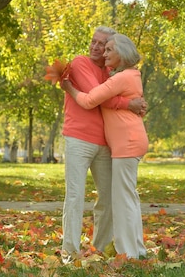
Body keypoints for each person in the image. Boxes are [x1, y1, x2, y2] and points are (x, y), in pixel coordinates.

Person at [60, 26, 146, 262]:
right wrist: (128, 104)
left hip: (107, 143)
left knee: (107, 199)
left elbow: (112, 93)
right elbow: (94, 96)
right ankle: (70, 252)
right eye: (94, 42)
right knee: (76, 196)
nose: (97, 48)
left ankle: (98, 250)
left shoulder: (113, 71)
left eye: (104, 45)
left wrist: (132, 102)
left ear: (114, 47)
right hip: (79, 138)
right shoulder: (79, 63)